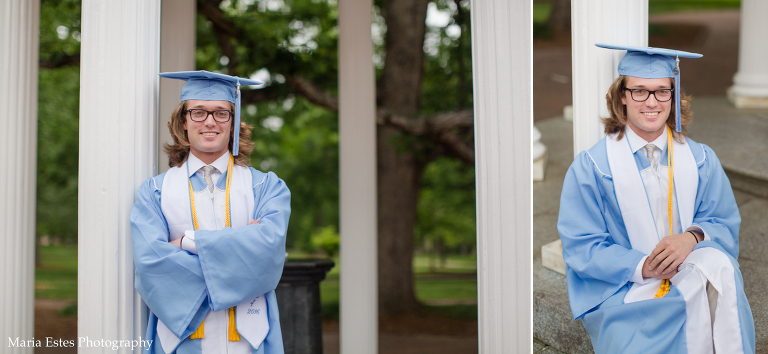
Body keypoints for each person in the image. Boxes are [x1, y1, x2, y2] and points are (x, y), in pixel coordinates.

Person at [557, 44, 755, 353]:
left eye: (662, 91)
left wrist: (691, 238)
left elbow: (722, 220)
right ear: (622, 95)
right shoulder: (592, 168)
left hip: (691, 267)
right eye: (639, 91)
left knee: (719, 272)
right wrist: (645, 266)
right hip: (624, 289)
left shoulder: (701, 159)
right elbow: (583, 245)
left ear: (673, 97)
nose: (652, 102)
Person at [130, 70, 291, 354]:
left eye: (221, 114)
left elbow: (267, 253)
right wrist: (242, 247)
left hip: (250, 341)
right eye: (198, 112)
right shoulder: (154, 193)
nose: (210, 122)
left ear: (233, 121)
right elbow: (151, 267)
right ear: (183, 120)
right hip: (181, 342)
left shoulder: (267, 188)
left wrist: (185, 243)